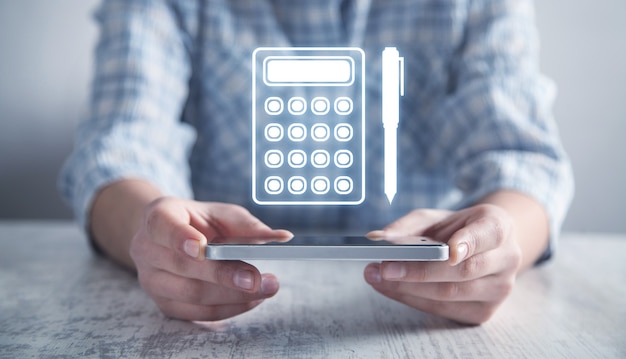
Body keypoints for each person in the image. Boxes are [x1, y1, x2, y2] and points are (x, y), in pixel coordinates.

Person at [59, 0, 573, 325]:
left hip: (418, 305)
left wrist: (495, 246)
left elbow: (523, 160)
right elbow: (118, 149)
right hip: (227, 296)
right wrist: (156, 234)